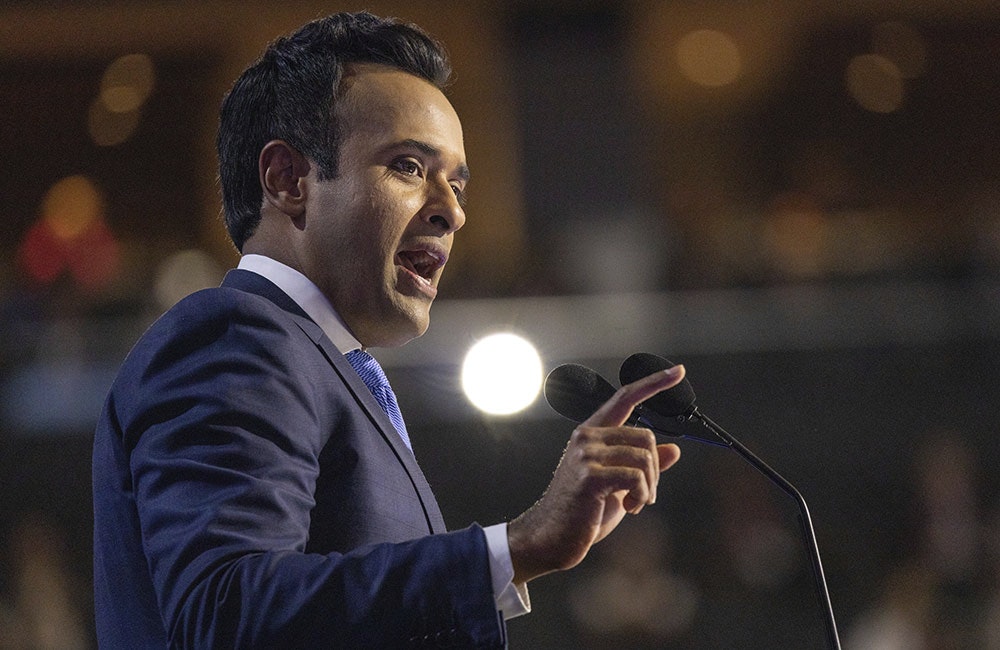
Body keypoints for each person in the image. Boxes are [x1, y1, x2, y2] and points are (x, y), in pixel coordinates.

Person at [92, 11, 684, 648]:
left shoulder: (328, 366)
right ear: (289, 180)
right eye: (408, 166)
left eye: (456, 183)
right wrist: (516, 548)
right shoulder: (233, 338)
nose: (453, 211)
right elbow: (226, 614)